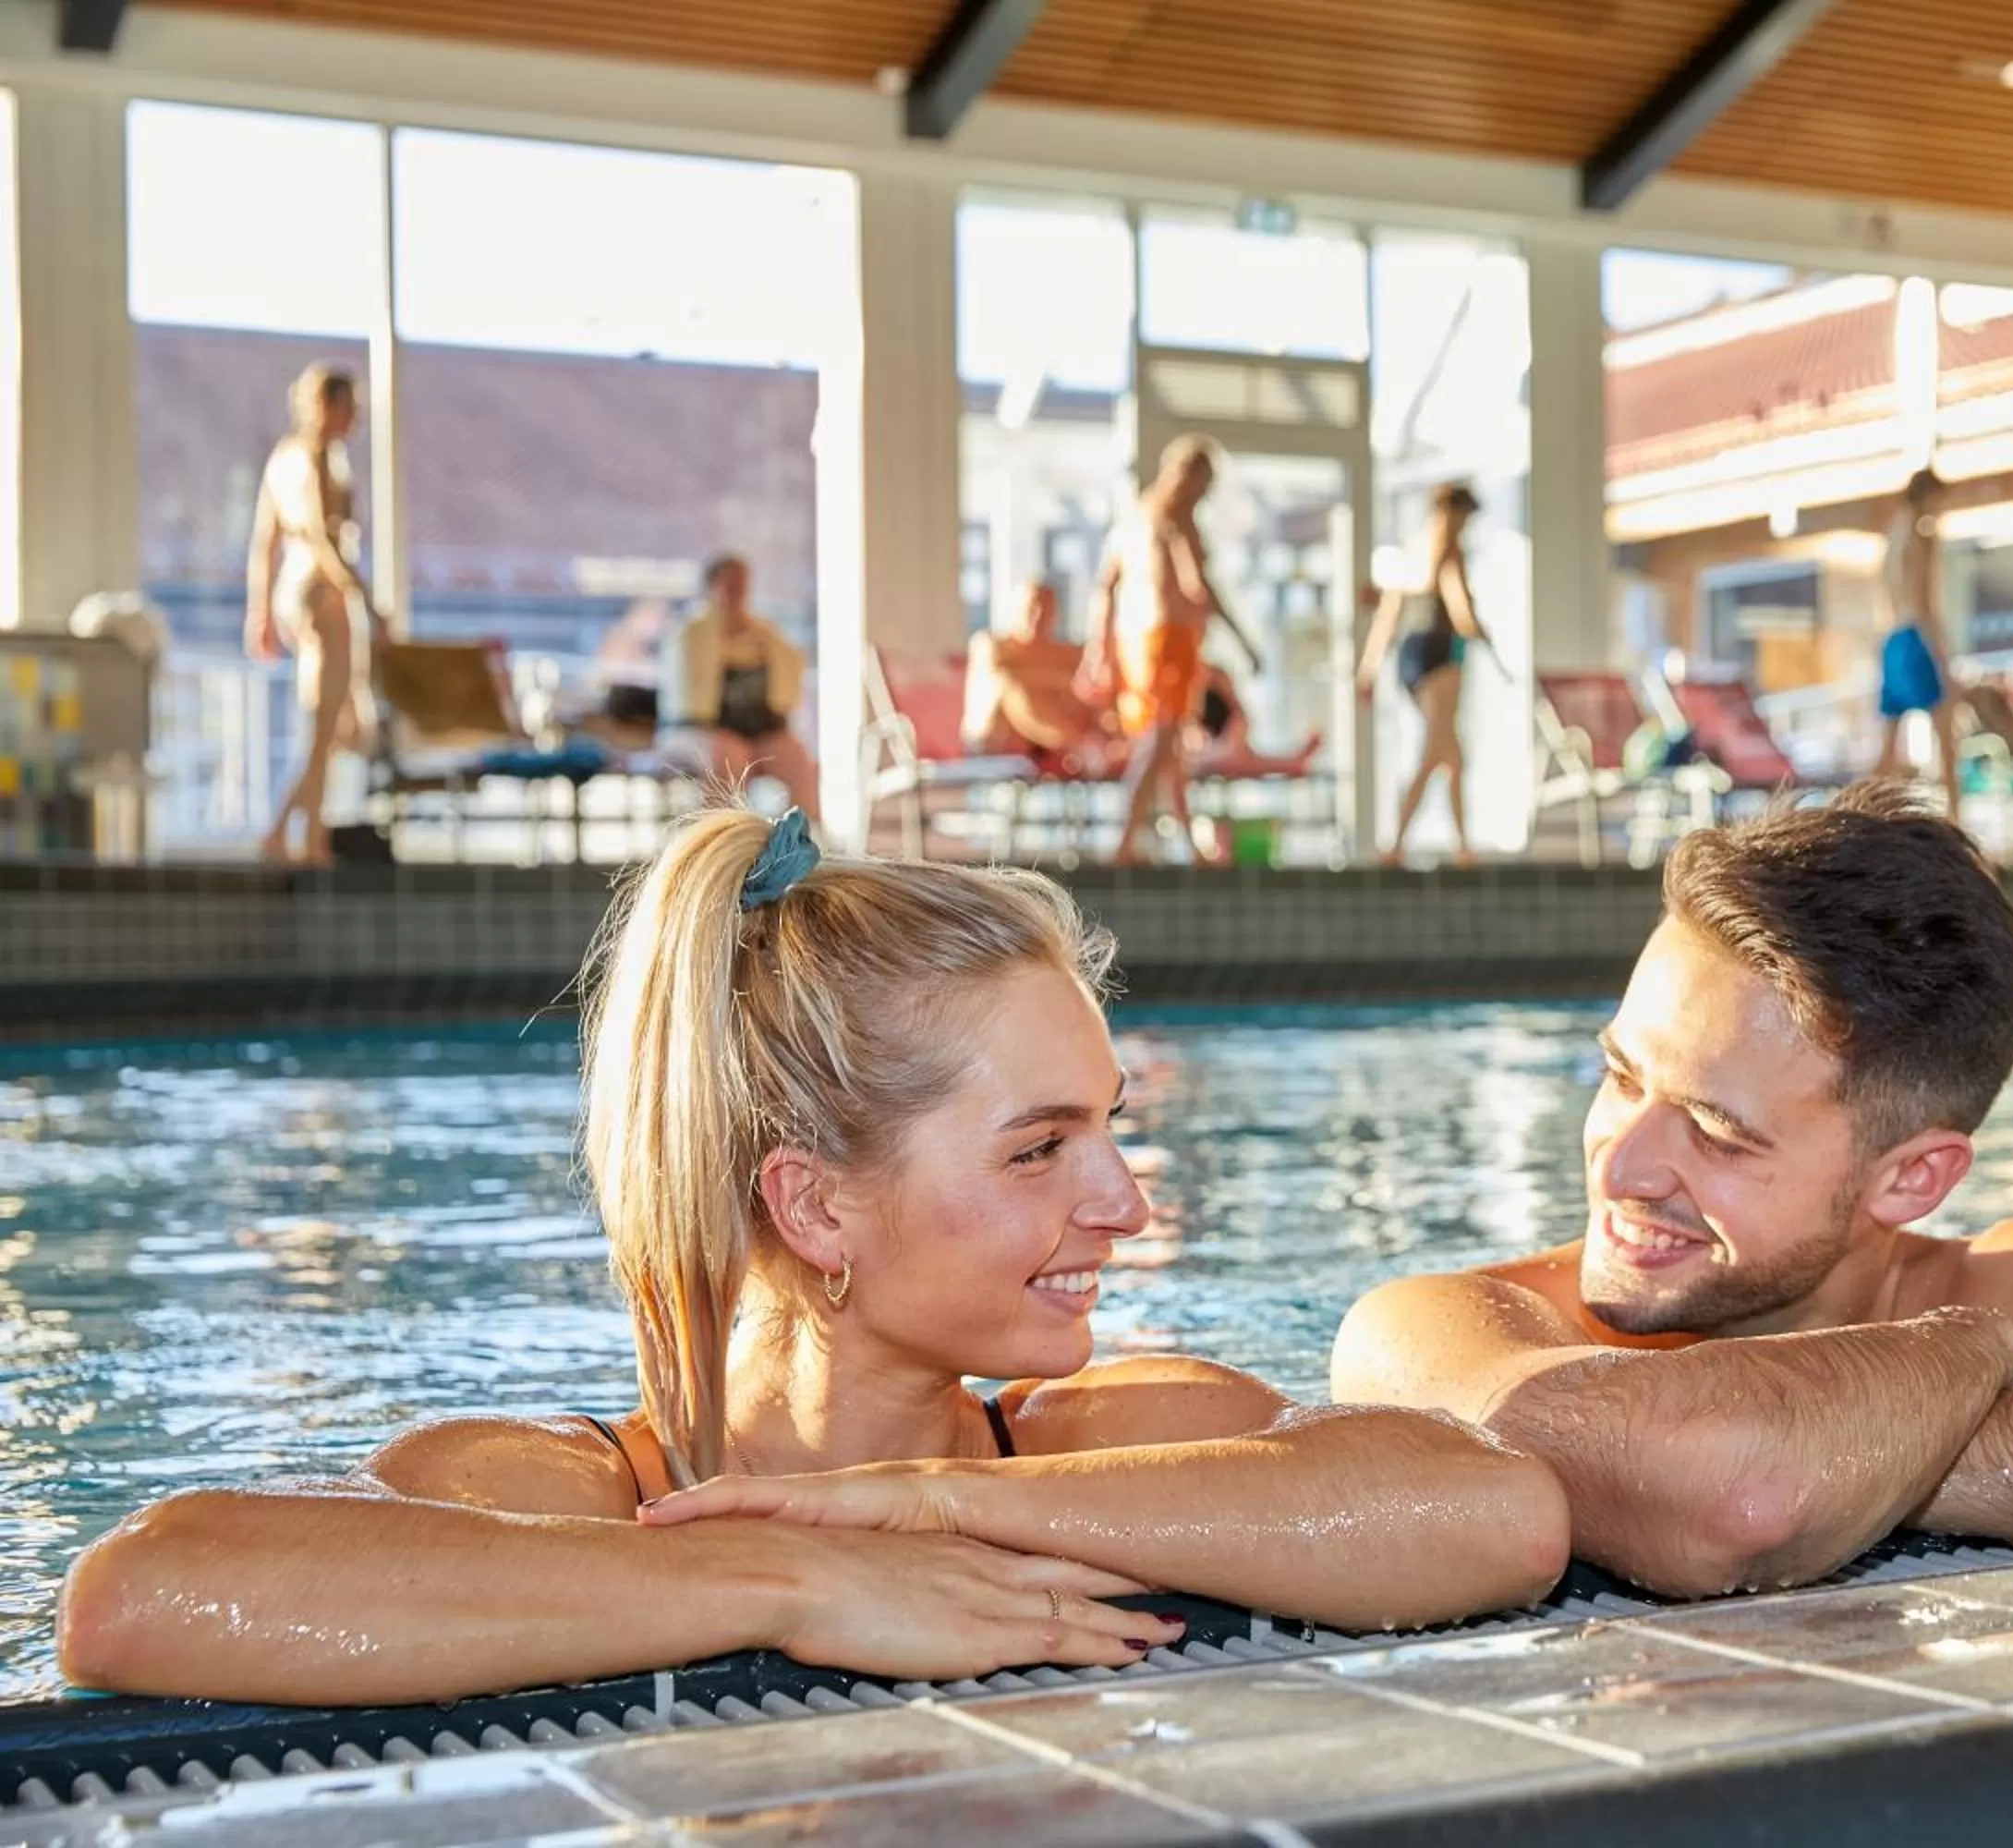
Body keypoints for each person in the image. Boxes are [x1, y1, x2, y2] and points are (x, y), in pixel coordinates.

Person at [55, 808, 1566, 1704]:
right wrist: (785, 1576)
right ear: (818, 1209)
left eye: (1106, 1128)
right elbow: (140, 1595)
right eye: (1039, 1149)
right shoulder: (582, 1494)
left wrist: (935, 1505)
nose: (1125, 1204)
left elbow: (1494, 1511)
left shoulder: (1090, 1445)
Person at [1332, 787, 2013, 1599]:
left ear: (1912, 1177)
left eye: (1716, 1132)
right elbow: (1739, 1496)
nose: (1620, 1166)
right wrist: (1975, 1354)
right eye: (1621, 1076)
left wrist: (1851, 1453)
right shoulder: (1442, 1324)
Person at [1088, 439, 1263, 865]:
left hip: (1136, 643)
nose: (1201, 496)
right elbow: (1198, 588)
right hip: (1168, 641)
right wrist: (1243, 641)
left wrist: (1100, 650)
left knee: (1169, 748)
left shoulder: (1132, 519)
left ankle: (1189, 844)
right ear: (1187, 475)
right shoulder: (1174, 518)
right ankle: (1125, 843)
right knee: (1161, 741)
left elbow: (1106, 588)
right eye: (1202, 485)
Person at [247, 363, 380, 867]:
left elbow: (265, 545)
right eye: (350, 408)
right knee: (327, 726)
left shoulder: (281, 459)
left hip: (294, 594)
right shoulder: (317, 456)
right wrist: (364, 599)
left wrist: (261, 611)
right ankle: (309, 840)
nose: (356, 419)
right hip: (323, 594)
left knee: (342, 725)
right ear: (327, 405)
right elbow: (325, 540)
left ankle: (289, 829)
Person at [1357, 482, 1494, 867]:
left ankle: (1462, 845)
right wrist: (1486, 638)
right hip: (1440, 654)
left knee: (1452, 756)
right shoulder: (1446, 551)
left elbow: (1388, 618)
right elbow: (1460, 608)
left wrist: (1369, 669)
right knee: (1436, 752)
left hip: (1412, 658)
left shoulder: (1409, 552)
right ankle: (1398, 843)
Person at [662, 555, 821, 829]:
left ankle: (802, 840)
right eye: (729, 585)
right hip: (701, 730)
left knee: (796, 758)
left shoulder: (763, 632)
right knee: (730, 756)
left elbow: (790, 666)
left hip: (758, 728)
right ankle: (718, 838)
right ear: (711, 587)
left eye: (741, 585)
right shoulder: (690, 633)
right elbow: (688, 703)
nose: (737, 592)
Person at [1869, 468, 1961, 814]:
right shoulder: (1921, 537)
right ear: (1929, 497)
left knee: (1889, 744)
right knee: (1947, 737)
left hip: (1893, 640)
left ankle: (1860, 813)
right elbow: (1924, 604)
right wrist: (1942, 656)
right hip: (1916, 639)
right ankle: (1956, 817)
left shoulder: (1894, 536)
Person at [964, 583, 1122, 774]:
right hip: (994, 741)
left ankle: (1106, 749)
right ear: (1016, 609)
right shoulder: (990, 644)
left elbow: (1093, 679)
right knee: (1012, 686)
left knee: (1098, 692)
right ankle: (1081, 747)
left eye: (1046, 609)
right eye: (1032, 607)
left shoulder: (1065, 653)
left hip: (1047, 747)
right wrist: (1064, 682)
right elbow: (1006, 676)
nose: (1039, 615)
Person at [1189, 663, 1323, 782]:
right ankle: (1293, 763)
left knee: (1237, 759)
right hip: (1209, 752)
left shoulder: (1214, 679)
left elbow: (1239, 718)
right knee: (1235, 760)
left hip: (1219, 746)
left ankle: (1293, 763)